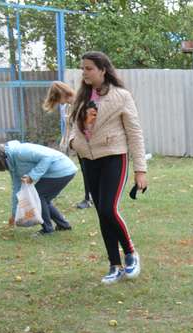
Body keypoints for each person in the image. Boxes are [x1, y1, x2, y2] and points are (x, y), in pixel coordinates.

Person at [64, 51, 148, 284]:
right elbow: (72, 126)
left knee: (109, 209)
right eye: (82, 68)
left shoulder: (121, 96)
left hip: (113, 156)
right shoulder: (81, 96)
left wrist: (140, 170)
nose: (84, 72)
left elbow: (135, 132)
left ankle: (130, 253)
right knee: (101, 212)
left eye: (89, 68)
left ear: (103, 70)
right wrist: (73, 142)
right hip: (88, 160)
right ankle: (114, 265)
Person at [0, 140, 77, 236]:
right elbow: (17, 189)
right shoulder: (12, 164)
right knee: (44, 199)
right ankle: (63, 225)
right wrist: (14, 214)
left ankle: (48, 230)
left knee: (38, 198)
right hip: (59, 172)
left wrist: (32, 176)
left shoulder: (20, 152)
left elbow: (47, 157)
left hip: (62, 169)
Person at [42, 80, 94, 209]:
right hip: (80, 145)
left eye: (57, 99)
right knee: (85, 171)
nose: (59, 103)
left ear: (61, 95)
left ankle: (90, 199)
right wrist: (65, 142)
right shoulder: (68, 106)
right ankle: (88, 198)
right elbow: (69, 127)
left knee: (90, 171)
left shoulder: (83, 103)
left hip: (90, 145)